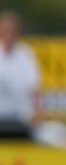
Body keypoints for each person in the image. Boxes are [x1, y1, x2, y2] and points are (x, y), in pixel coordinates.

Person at [0, 11, 41, 139]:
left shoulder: (26, 54)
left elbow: (36, 88)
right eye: (5, 30)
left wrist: (38, 111)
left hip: (20, 117)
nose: (8, 34)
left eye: (11, 30)